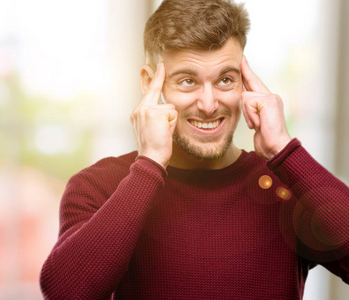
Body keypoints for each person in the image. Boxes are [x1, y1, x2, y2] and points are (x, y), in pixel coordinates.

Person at [40, 0, 349, 299]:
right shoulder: (99, 186)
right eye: (187, 81)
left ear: (245, 82)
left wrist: (284, 149)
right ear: (151, 84)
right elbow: (65, 293)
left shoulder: (287, 186)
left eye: (226, 80)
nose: (209, 104)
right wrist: (148, 166)